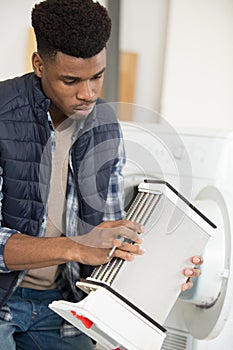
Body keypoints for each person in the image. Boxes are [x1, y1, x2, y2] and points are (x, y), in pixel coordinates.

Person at [0, 0, 202, 349]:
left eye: (97, 76)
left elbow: (110, 235)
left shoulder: (105, 125)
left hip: (63, 305)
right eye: (71, 80)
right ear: (38, 64)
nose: (88, 94)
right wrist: (76, 247)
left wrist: (162, 274)